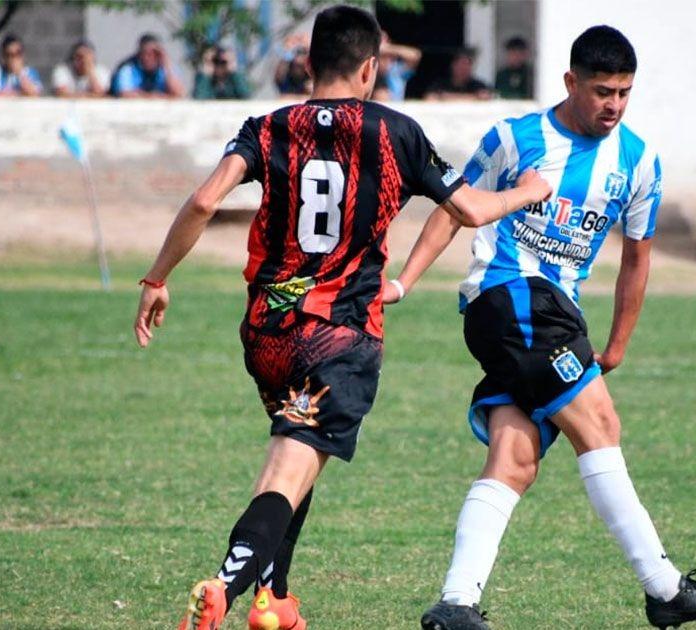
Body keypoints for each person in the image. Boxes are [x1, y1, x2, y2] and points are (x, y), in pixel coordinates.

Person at [133, 6, 550, 630]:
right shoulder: (397, 132)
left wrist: (157, 279)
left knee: (296, 454)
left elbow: (202, 200)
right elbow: (469, 209)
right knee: (287, 467)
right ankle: (224, 585)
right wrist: (527, 191)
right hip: (341, 337)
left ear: (308, 64)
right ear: (370, 69)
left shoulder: (268, 126)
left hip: (269, 333)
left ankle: (273, 602)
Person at [388, 25, 696, 630]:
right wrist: (403, 282)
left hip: (555, 311)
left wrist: (617, 344)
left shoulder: (637, 162)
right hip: (511, 295)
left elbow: (638, 256)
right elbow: (453, 211)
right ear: (571, 82)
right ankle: (664, 589)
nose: (613, 104)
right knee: (600, 423)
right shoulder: (515, 139)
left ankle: (455, 605)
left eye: (624, 93)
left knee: (515, 456)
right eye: (602, 90)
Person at [110, 33, 184, 98]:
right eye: (146, 53)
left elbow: (178, 93)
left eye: (155, 53)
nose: (149, 57)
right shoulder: (128, 69)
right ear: (139, 54)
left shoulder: (166, 69)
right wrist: (153, 97)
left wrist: (166, 65)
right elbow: (125, 94)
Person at [425, 49, 491, 101]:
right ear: (453, 66)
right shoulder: (440, 84)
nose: (464, 69)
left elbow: (485, 97)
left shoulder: (478, 85)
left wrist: (446, 97)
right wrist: (473, 97)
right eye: (461, 66)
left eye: (467, 66)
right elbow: (430, 98)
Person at [373, 31, 421, 101]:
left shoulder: (395, 69)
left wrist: (386, 49)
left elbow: (415, 56)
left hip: (394, 108)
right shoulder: (367, 68)